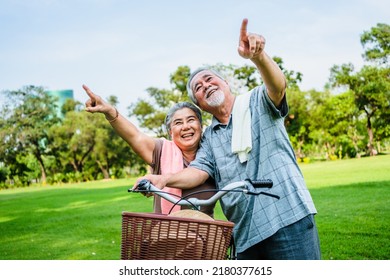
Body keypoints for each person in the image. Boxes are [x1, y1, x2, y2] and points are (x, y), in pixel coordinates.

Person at [135, 18, 321, 260]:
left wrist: (259, 56)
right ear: (199, 103)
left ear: (225, 83)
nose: (205, 86)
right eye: (198, 88)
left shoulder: (256, 101)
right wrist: (163, 179)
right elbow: (199, 171)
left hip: (288, 218)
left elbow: (277, 87)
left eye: (210, 79)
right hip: (244, 235)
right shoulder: (210, 137)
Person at [83, 85, 216, 217]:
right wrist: (110, 111)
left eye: (191, 120)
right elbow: (135, 136)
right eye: (178, 123)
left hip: (205, 234)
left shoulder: (212, 153)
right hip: (166, 233)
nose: (186, 127)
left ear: (200, 125)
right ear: (170, 132)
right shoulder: (161, 150)